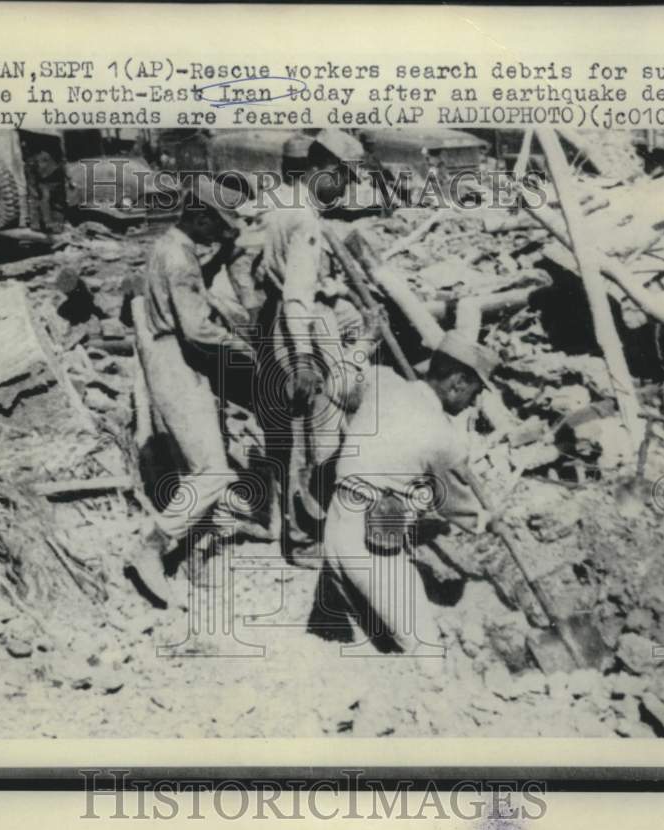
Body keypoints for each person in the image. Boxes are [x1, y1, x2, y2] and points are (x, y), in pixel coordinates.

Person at [315, 331, 500, 654]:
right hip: (371, 543)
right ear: (457, 382)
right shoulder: (443, 437)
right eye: (475, 390)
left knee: (366, 646)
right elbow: (454, 502)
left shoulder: (382, 383)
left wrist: (363, 343)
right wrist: (486, 521)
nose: (475, 400)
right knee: (425, 652)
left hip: (336, 525)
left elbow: (334, 383)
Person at [132, 177, 263, 598]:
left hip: (170, 357)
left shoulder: (173, 247)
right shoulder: (180, 259)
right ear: (200, 215)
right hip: (175, 362)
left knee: (199, 465)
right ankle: (151, 544)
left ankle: (194, 556)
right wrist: (242, 347)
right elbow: (197, 330)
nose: (221, 234)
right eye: (218, 224)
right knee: (214, 472)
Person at [254, 130, 375, 559]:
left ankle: (296, 527)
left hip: (282, 327)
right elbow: (298, 293)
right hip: (300, 330)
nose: (344, 188)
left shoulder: (280, 200)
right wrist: (305, 357)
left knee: (296, 434)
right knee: (317, 439)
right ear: (325, 169)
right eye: (343, 178)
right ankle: (306, 537)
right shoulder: (303, 216)